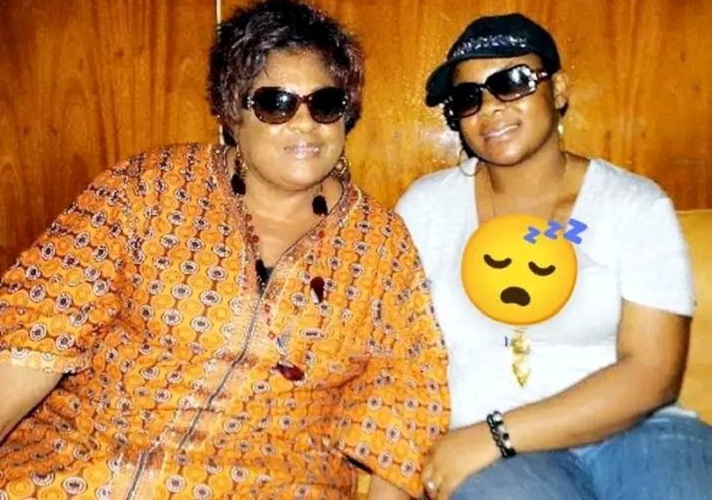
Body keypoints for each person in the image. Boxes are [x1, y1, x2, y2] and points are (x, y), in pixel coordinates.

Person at [0, 1, 449, 498]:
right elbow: (36, 330)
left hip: (272, 483)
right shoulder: (149, 189)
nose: (305, 123)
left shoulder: (380, 244)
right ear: (234, 111)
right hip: (84, 466)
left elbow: (403, 395)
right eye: (276, 103)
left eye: (325, 103)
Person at [396, 12, 712, 500]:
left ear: (558, 89)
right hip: (496, 458)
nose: (490, 108)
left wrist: (497, 434)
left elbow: (653, 373)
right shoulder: (427, 209)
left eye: (512, 83)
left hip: (640, 433)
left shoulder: (633, 204)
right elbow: (391, 357)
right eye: (469, 97)